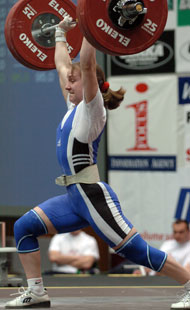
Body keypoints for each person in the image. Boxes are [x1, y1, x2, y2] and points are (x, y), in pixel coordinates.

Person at [4, 16, 190, 309]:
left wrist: (90, 27)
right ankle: (37, 292)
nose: (68, 82)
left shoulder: (93, 110)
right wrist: (61, 33)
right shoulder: (71, 107)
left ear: (89, 84)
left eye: (74, 81)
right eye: (69, 80)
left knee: (137, 251)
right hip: (73, 197)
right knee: (24, 227)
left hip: (93, 196)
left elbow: (86, 65)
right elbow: (63, 65)